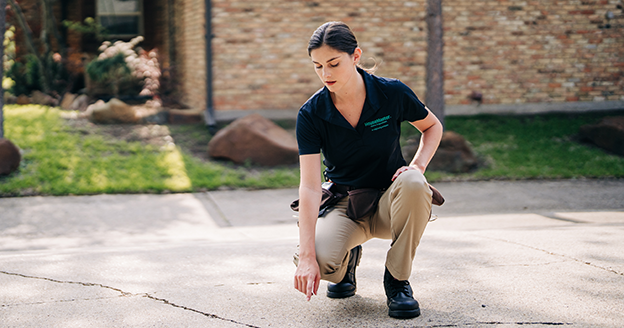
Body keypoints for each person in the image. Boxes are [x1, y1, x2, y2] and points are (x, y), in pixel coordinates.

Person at [293, 21, 443, 319]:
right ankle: (346, 263)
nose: (326, 74)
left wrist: (418, 165)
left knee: (414, 181)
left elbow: (432, 126)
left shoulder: (391, 93)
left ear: (356, 56)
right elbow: (309, 187)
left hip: (393, 201)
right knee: (320, 265)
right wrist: (306, 257)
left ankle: (397, 280)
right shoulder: (311, 114)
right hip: (347, 204)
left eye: (334, 63)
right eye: (318, 66)